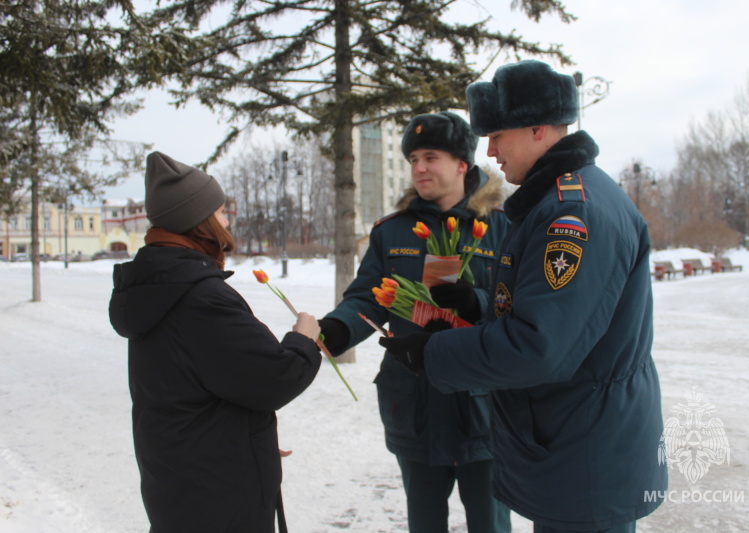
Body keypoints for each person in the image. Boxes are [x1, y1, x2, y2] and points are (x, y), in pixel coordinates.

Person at [380, 60, 669, 532]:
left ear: (538, 128)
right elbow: (554, 314)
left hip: (585, 454)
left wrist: (433, 354)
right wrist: (478, 304)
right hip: (573, 445)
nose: (490, 151)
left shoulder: (572, 213)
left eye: (497, 135)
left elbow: (541, 347)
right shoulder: (557, 200)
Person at [318, 111, 512, 532]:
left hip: (484, 407)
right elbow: (367, 298)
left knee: (491, 524)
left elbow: (521, 307)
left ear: (462, 164)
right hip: (415, 404)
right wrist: (338, 329)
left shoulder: (501, 229)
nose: (419, 168)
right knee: (424, 524)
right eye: (412, 160)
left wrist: (476, 300)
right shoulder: (393, 232)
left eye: (430, 157)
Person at [109, 151, 322, 533]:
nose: (226, 221)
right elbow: (274, 376)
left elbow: (190, 386)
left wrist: (245, 441)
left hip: (182, 478)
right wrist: (304, 337)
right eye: (221, 212)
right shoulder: (198, 297)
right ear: (200, 221)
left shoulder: (159, 286)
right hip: (217, 495)